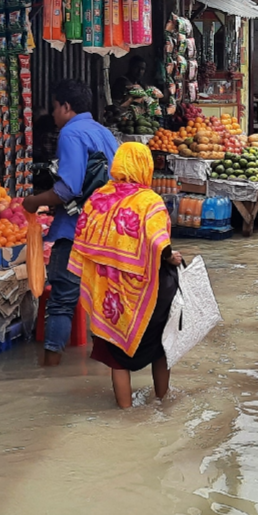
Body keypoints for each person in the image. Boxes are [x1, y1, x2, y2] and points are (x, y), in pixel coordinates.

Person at [70, 143, 181, 408]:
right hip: (147, 292)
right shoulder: (149, 200)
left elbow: (83, 239)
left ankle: (125, 412)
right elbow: (158, 243)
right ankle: (163, 404)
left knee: (117, 358)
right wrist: (170, 258)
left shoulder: (98, 198)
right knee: (160, 348)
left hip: (108, 292)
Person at [23, 79, 119, 366]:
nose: (52, 115)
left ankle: (50, 367)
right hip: (109, 228)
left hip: (78, 230)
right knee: (103, 299)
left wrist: (33, 201)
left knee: (62, 300)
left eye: (54, 108)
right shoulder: (104, 133)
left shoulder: (70, 133)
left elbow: (68, 189)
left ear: (66, 107)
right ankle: (109, 365)